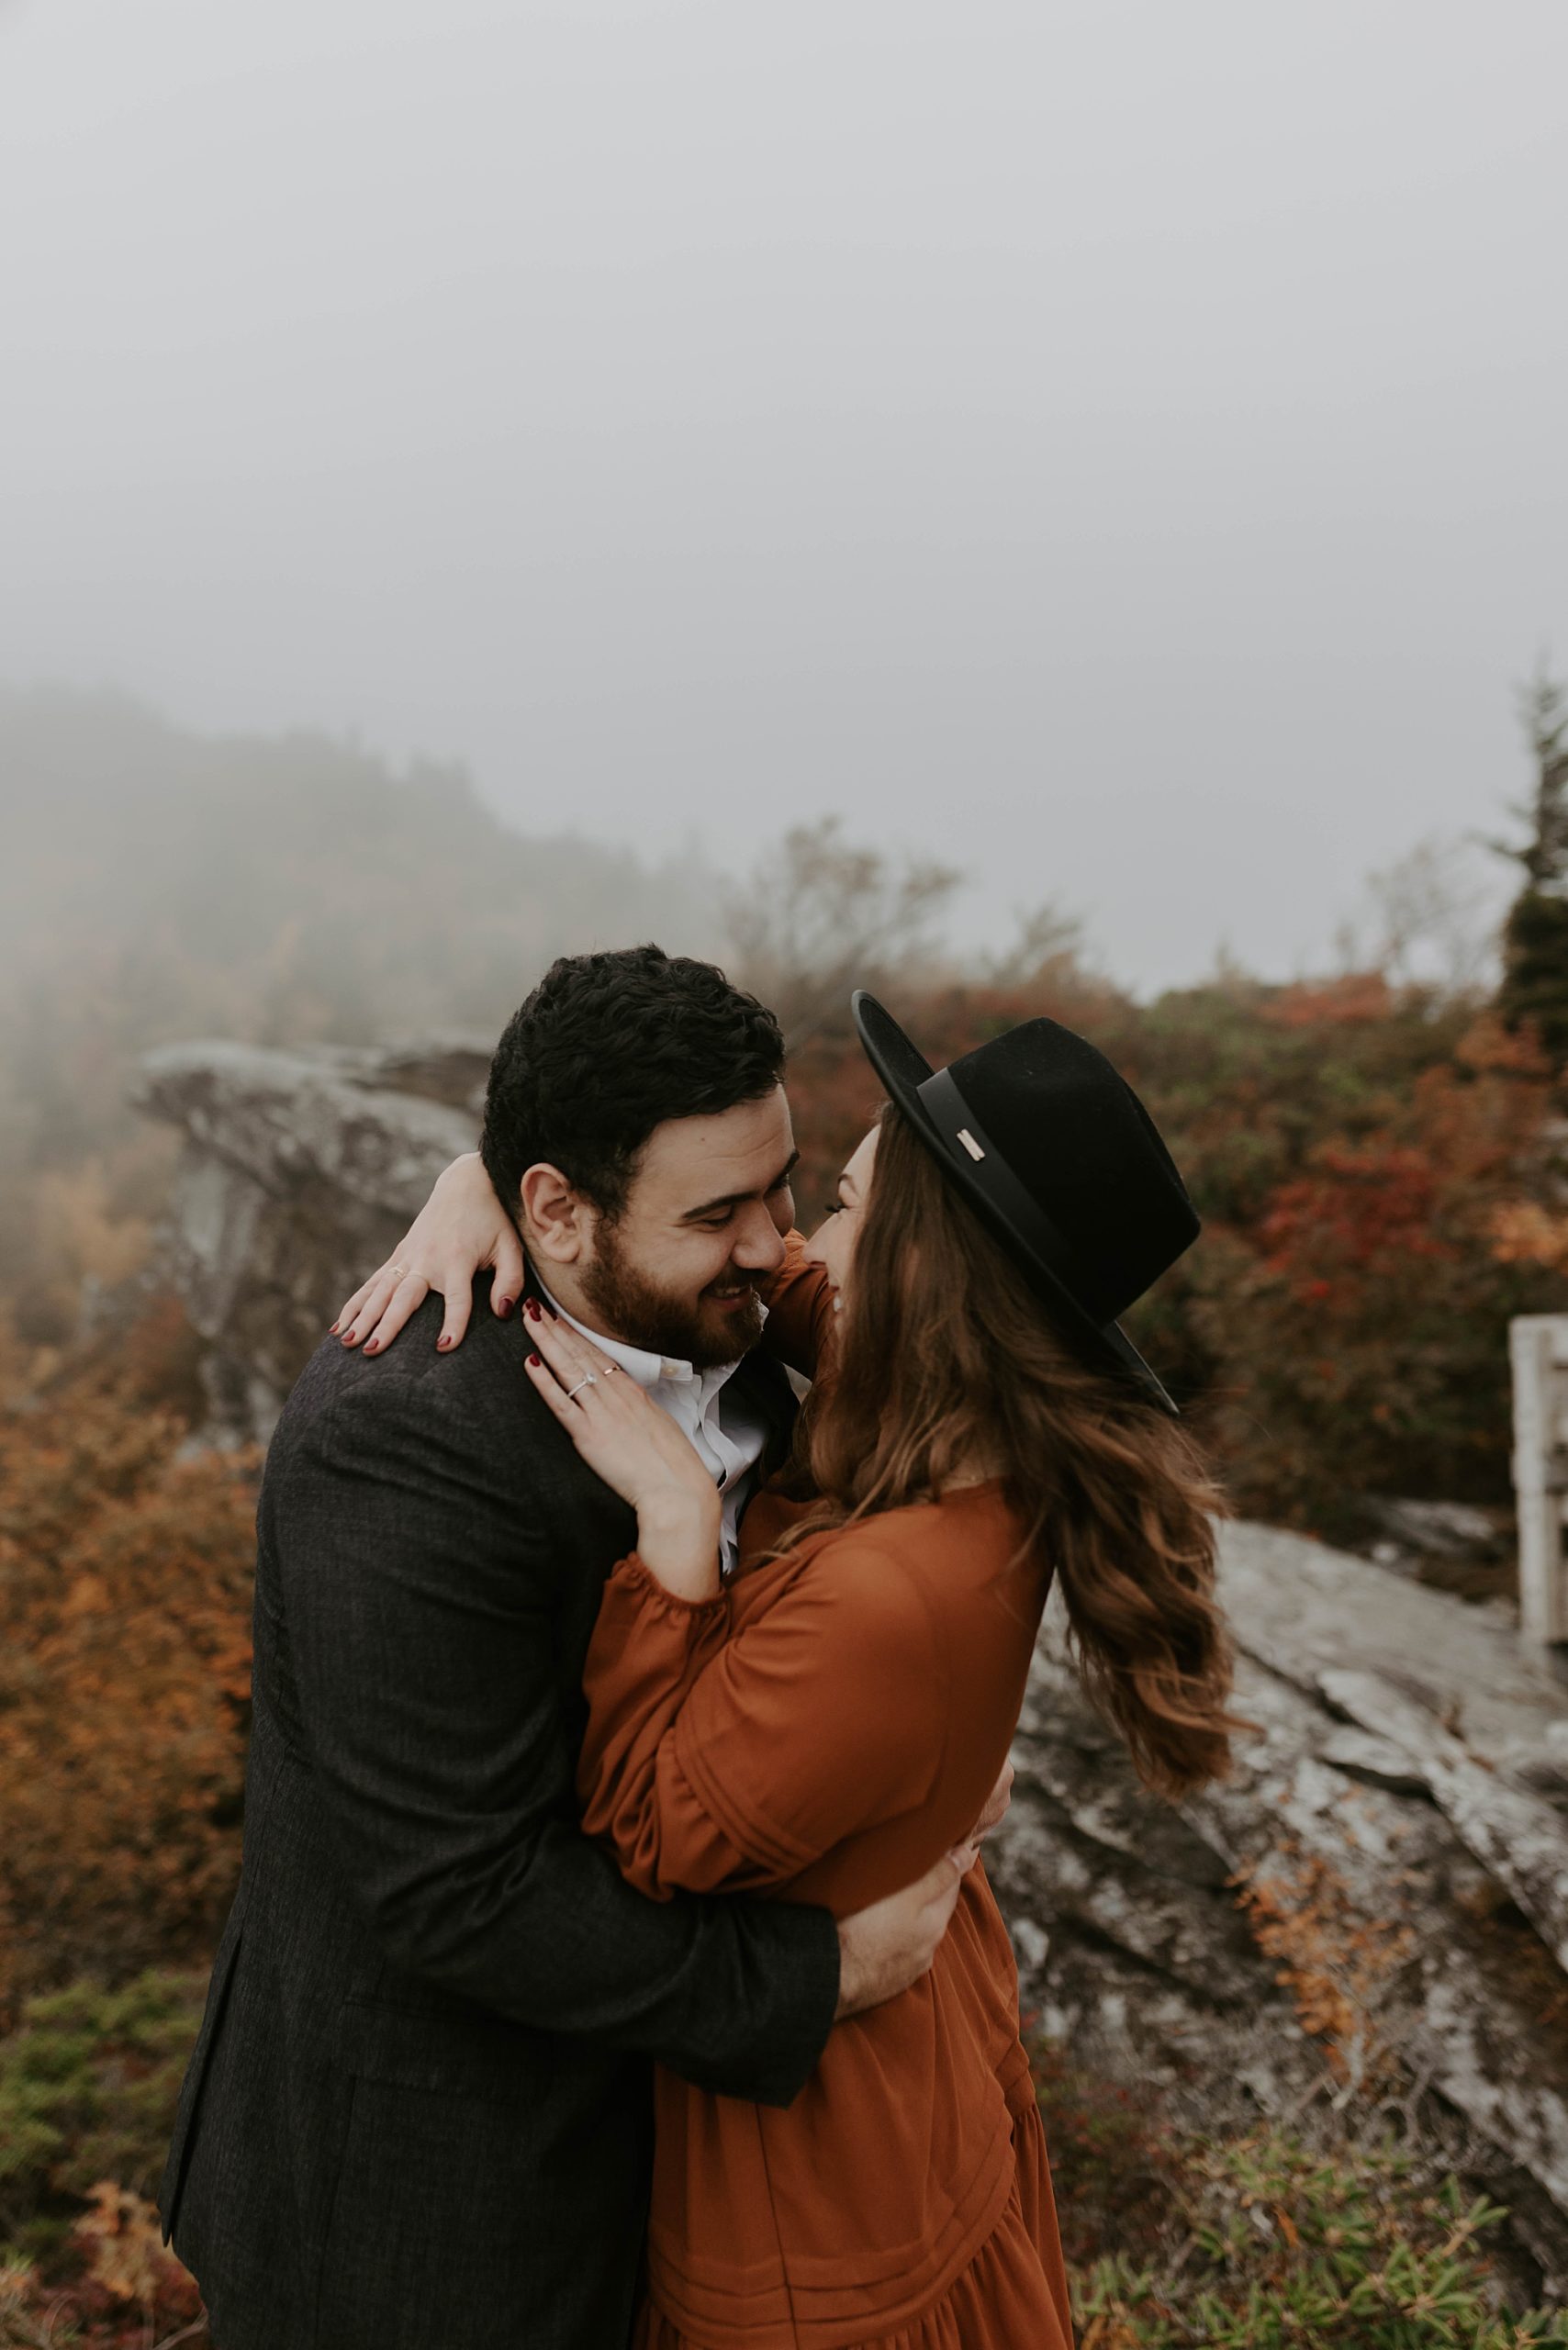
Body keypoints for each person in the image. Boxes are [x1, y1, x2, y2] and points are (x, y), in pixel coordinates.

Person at [356, 982, 1252, 2348]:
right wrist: (489, 1180)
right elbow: (759, 1275)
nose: (792, 1248)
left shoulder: (894, 1589)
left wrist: (676, 1543)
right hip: (904, 2094)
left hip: (819, 2206)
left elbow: (654, 1835)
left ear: (921, 1265)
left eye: (837, 1204)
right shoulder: (954, 1403)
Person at [160, 948, 995, 2350]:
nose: (767, 1242)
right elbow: (458, 1888)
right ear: (554, 1206)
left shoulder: (734, 1316)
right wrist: (816, 1979)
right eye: (717, 1211)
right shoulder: (402, 1444)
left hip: (669, 2183)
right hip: (429, 2219)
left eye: (782, 1187)